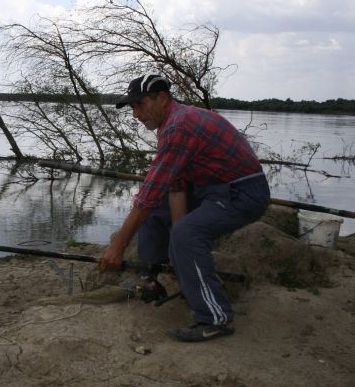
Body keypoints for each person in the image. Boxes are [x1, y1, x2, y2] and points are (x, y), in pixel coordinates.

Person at [99, 73, 270, 342]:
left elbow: (147, 194)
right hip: (210, 189)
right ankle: (153, 279)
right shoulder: (170, 123)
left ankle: (215, 318)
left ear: (163, 98)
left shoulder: (180, 126)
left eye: (139, 105)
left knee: (184, 231)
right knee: (161, 217)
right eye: (132, 107)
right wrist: (179, 250)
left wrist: (117, 247)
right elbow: (175, 186)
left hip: (242, 191)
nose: (135, 114)